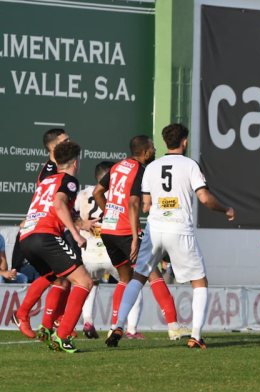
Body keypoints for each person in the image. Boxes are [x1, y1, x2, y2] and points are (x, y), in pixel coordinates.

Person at [105, 123, 235, 349]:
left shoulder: (152, 167)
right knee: (200, 282)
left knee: (138, 278)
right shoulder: (190, 165)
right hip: (178, 229)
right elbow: (204, 198)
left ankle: (118, 324)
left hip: (155, 230)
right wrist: (225, 209)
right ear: (184, 142)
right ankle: (195, 335)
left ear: (165, 143)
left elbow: (145, 206)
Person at [93, 135, 187, 340]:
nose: (154, 151)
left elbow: (97, 192)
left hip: (108, 230)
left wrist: (109, 214)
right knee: (153, 274)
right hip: (126, 232)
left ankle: (115, 326)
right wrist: (136, 236)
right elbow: (134, 203)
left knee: (125, 279)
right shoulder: (140, 170)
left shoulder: (117, 167)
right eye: (152, 148)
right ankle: (173, 325)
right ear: (145, 152)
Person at [16, 141, 94, 353]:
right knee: (84, 281)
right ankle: (62, 336)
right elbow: (59, 205)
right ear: (76, 162)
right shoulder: (69, 180)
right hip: (45, 236)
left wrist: (81, 223)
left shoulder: (47, 181)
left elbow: (54, 209)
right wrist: (77, 235)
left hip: (27, 237)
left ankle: (27, 315)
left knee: (57, 277)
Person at [76, 161, 145, 340]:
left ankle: (88, 321)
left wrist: (81, 226)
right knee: (131, 281)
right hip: (111, 244)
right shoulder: (117, 192)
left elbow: (72, 216)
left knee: (91, 285)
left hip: (89, 249)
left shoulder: (83, 194)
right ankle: (129, 327)